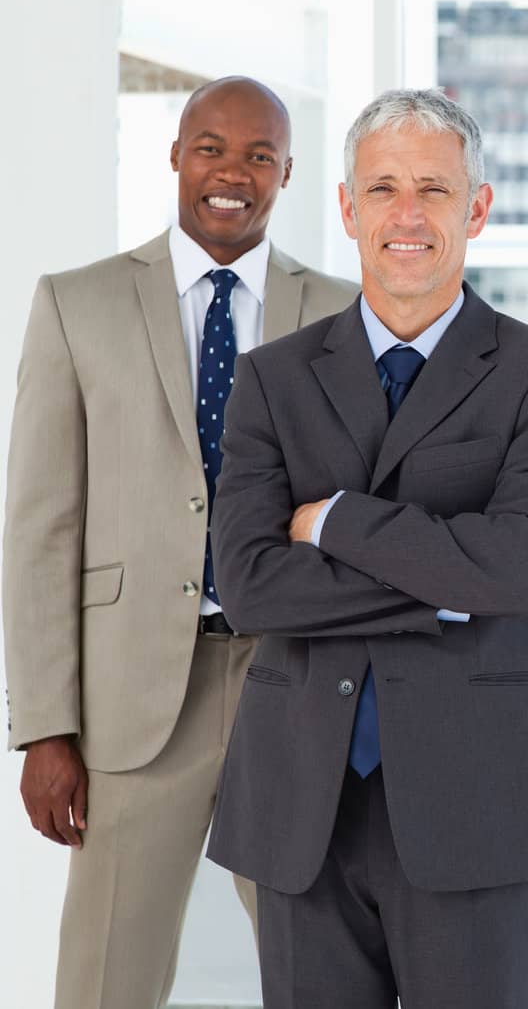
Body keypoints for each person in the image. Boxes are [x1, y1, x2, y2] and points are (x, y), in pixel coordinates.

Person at [204, 88, 528, 1007]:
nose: (408, 214)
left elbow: (526, 568)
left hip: (481, 804)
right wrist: (449, 587)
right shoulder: (273, 379)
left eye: (434, 187)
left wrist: (338, 521)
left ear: (478, 207)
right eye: (383, 188)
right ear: (347, 208)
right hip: (305, 804)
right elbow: (254, 587)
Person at [4, 76, 355, 1009]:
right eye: (210, 147)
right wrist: (45, 724)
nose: (231, 173)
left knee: (321, 967)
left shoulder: (341, 314)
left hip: (295, 680)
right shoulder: (77, 304)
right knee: (104, 983)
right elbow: (39, 528)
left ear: (287, 173)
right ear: (173, 154)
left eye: (258, 156)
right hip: (131, 701)